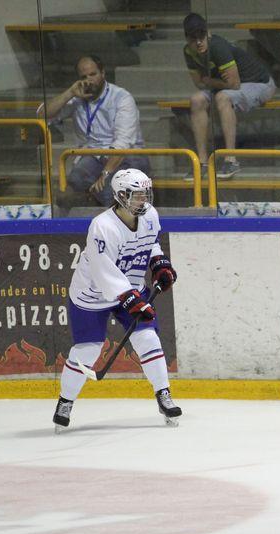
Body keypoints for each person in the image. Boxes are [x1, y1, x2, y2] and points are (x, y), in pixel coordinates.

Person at [52, 169, 181, 433]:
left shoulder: (149, 216)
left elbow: (150, 243)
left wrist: (159, 264)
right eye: (138, 195)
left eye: (146, 194)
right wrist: (131, 301)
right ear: (121, 196)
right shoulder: (103, 226)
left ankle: (163, 395)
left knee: (148, 338)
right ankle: (65, 401)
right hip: (92, 293)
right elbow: (103, 272)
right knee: (87, 350)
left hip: (130, 287)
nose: (144, 200)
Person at [39, 55, 149, 212]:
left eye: (93, 74)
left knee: (107, 191)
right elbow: (43, 114)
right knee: (73, 185)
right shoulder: (77, 97)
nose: (89, 80)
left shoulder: (121, 98)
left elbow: (123, 144)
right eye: (83, 77)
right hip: (93, 155)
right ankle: (73, 228)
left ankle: (114, 227)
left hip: (128, 155)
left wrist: (104, 174)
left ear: (103, 73)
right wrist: (70, 93)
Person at [183, 12, 277, 180]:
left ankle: (231, 159)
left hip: (260, 83)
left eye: (201, 36)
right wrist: (216, 82)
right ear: (186, 39)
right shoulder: (189, 52)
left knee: (223, 97)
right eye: (192, 38)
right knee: (196, 100)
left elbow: (234, 84)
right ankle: (202, 162)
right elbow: (198, 84)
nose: (198, 42)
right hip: (228, 84)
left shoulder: (217, 46)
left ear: (208, 33)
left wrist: (210, 80)